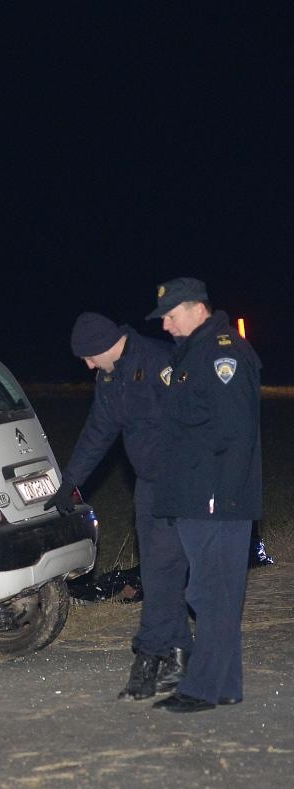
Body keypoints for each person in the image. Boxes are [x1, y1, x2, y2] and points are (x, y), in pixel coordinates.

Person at [53, 312, 189, 700]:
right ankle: (178, 656)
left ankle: (149, 656)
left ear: (103, 345)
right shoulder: (109, 376)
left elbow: (193, 418)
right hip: (147, 485)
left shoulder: (157, 361)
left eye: (89, 357)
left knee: (163, 571)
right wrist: (69, 483)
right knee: (159, 570)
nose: (88, 365)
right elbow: (99, 430)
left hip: (178, 482)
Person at [146, 277, 263, 712]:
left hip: (213, 498)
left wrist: (226, 498)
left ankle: (201, 689)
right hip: (199, 495)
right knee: (219, 592)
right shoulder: (196, 350)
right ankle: (225, 684)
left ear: (196, 309)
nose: (166, 326)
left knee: (209, 593)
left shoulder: (222, 352)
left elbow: (236, 433)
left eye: (171, 316)